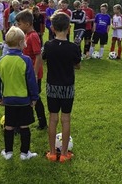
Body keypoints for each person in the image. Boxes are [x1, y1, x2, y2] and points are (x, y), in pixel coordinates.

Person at [0, 27, 39, 160]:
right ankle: (25, 153)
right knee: (24, 125)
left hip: (8, 100)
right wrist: (34, 97)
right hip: (24, 100)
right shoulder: (26, 60)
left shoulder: (1, 60)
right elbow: (31, 81)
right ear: (20, 43)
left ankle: (8, 153)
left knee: (9, 126)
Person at [42, 13, 82, 163]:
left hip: (52, 86)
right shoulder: (73, 47)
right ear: (69, 28)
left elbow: (45, 58)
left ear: (52, 28)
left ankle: (52, 153)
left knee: (52, 118)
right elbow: (77, 65)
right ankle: (64, 153)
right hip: (67, 87)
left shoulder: (48, 45)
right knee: (66, 119)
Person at [16, 10, 47, 130]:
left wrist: (34, 74)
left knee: (35, 97)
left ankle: (40, 122)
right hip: (27, 73)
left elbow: (39, 57)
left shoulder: (33, 36)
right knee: (32, 97)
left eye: (19, 24)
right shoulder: (26, 35)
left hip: (34, 74)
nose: (18, 27)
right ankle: (37, 122)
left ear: (27, 24)